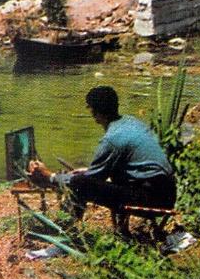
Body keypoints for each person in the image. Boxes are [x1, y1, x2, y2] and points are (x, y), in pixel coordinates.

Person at [27, 85, 175, 222]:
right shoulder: (131, 122)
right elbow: (132, 163)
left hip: (153, 200)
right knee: (82, 179)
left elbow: (90, 181)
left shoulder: (112, 139)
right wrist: (89, 170)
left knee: (80, 184)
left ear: (94, 112)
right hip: (167, 193)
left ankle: (62, 237)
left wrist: (49, 176)